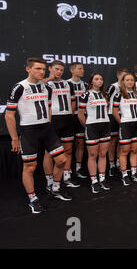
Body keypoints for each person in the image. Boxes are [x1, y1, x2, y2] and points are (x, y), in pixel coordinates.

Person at [5, 58, 71, 214]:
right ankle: (33, 199)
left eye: (43, 69)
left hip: (46, 129)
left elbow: (48, 108)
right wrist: (14, 138)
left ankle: (54, 188)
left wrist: (48, 124)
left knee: (62, 160)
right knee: (30, 167)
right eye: (38, 69)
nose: (41, 72)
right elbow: (9, 115)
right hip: (28, 132)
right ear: (28, 69)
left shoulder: (47, 87)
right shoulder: (19, 87)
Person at [43, 61, 79, 190]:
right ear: (50, 68)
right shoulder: (45, 83)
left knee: (68, 150)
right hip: (53, 120)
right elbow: (35, 86)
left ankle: (66, 177)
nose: (59, 72)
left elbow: (73, 102)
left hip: (67, 119)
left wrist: (70, 115)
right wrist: (49, 78)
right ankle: (49, 180)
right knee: (49, 152)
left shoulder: (68, 83)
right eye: (56, 69)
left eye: (61, 70)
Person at [78, 73, 111, 193]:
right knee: (92, 155)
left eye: (101, 79)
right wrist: (88, 126)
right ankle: (94, 181)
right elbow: (80, 114)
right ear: (91, 81)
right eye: (96, 79)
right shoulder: (86, 94)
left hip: (105, 126)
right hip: (92, 127)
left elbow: (107, 110)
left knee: (103, 154)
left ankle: (102, 179)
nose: (100, 81)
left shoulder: (105, 94)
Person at [112, 73, 137, 185]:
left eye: (132, 80)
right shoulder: (118, 94)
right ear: (123, 82)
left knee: (134, 150)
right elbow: (114, 111)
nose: (130, 82)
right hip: (125, 125)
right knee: (124, 151)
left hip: (136, 124)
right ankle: (124, 174)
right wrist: (122, 123)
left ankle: (134, 173)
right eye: (127, 80)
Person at [67, 63, 89, 179]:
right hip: (69, 117)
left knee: (81, 144)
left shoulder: (85, 85)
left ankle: (78, 168)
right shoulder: (66, 84)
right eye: (79, 68)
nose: (82, 70)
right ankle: (67, 171)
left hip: (82, 116)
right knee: (68, 147)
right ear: (72, 70)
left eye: (83, 69)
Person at [107, 68, 129, 177]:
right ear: (118, 76)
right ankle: (111, 165)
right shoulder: (113, 87)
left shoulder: (129, 89)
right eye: (123, 76)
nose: (125, 79)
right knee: (113, 140)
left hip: (125, 115)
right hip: (113, 115)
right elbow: (105, 99)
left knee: (122, 141)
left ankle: (119, 163)